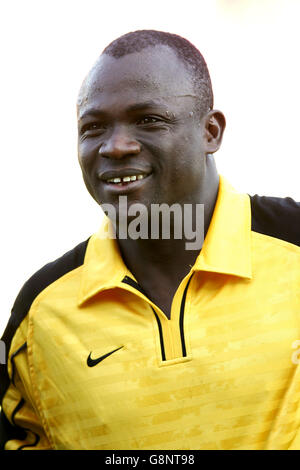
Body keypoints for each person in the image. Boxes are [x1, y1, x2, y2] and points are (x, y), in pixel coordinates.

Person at [1, 29, 300, 451]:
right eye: (94, 127)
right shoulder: (40, 314)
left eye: (148, 120)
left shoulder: (294, 247)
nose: (116, 146)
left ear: (210, 132)